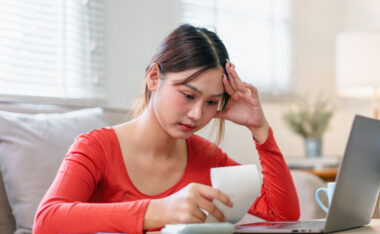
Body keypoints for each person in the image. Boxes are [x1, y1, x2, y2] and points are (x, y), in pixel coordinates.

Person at [33, 24, 300, 234]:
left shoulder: (207, 157)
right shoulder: (95, 148)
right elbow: (46, 222)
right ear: (153, 78)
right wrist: (159, 210)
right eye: (187, 95)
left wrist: (259, 127)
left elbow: (283, 216)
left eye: (211, 102)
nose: (197, 115)